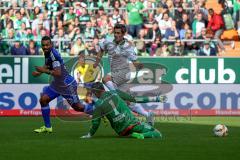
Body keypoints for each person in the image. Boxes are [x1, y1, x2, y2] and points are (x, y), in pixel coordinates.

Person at [93, 23, 156, 125]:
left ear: (123, 34)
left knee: (105, 79)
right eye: (115, 32)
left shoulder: (127, 47)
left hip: (124, 72)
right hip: (115, 72)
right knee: (129, 103)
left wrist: (140, 66)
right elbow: (101, 49)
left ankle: (117, 97)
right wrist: (96, 62)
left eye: (118, 33)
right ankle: (148, 115)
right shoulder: (107, 41)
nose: (116, 35)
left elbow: (135, 61)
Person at [32, 36, 91, 133]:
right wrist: (39, 72)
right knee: (43, 100)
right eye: (43, 45)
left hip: (67, 85)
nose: (45, 47)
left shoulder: (53, 55)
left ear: (51, 44)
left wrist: (43, 70)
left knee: (78, 107)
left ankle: (98, 111)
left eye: (47, 45)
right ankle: (48, 127)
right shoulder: (48, 53)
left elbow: (58, 73)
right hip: (57, 84)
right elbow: (48, 64)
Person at [81, 82, 162, 139]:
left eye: (94, 93)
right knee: (157, 134)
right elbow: (135, 99)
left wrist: (89, 135)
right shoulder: (115, 92)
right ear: (103, 89)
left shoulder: (98, 104)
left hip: (120, 131)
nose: (94, 94)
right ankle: (142, 135)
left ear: (96, 92)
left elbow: (95, 123)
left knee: (145, 124)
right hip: (131, 124)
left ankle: (145, 126)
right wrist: (156, 99)